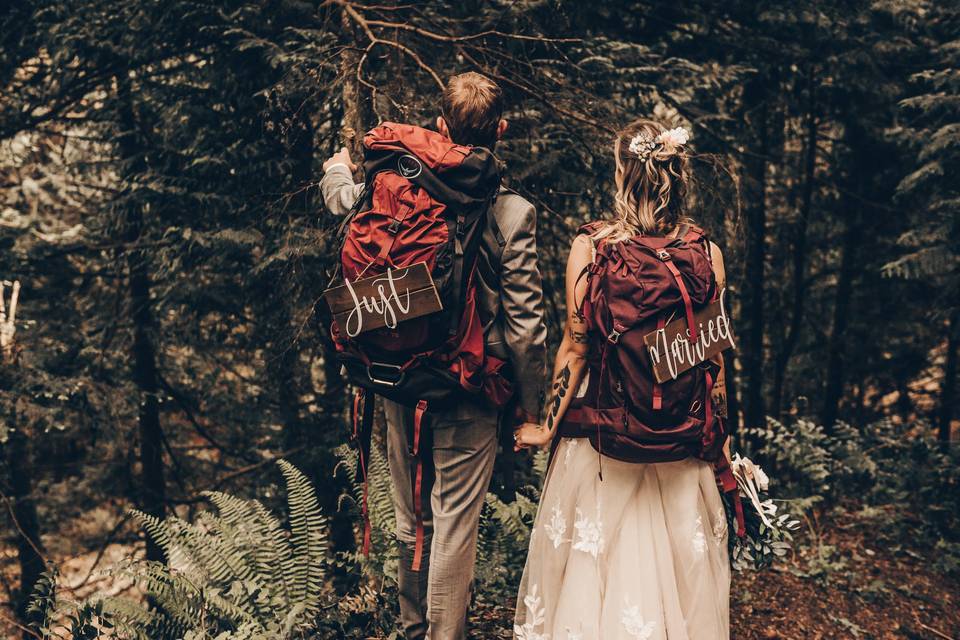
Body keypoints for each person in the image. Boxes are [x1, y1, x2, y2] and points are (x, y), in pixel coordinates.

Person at [320, 72, 548, 640]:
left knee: (410, 514)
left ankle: (413, 627)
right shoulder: (511, 212)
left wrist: (335, 169)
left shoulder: (394, 183)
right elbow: (525, 325)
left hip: (398, 372)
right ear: (501, 130)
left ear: (441, 125)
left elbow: (344, 206)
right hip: (469, 382)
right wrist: (532, 408)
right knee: (453, 521)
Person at [513, 119, 731, 640]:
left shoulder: (593, 249)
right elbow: (713, 361)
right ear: (678, 176)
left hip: (609, 435)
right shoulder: (707, 254)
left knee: (597, 567)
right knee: (684, 575)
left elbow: (576, 346)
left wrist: (546, 427)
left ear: (622, 176)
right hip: (681, 439)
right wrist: (719, 440)